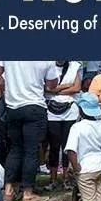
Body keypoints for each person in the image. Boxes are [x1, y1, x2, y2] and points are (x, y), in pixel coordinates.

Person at [0, 61, 59, 201]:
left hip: (13, 107)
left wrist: (8, 89)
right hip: (34, 106)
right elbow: (52, 84)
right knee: (31, 151)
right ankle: (28, 192)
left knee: (15, 149)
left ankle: (8, 191)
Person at [44, 61, 83, 189]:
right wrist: (66, 86)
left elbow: (76, 87)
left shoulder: (74, 66)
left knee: (68, 144)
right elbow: (46, 87)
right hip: (51, 110)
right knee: (54, 145)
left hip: (70, 110)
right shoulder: (47, 65)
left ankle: (66, 178)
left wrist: (55, 90)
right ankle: (53, 178)